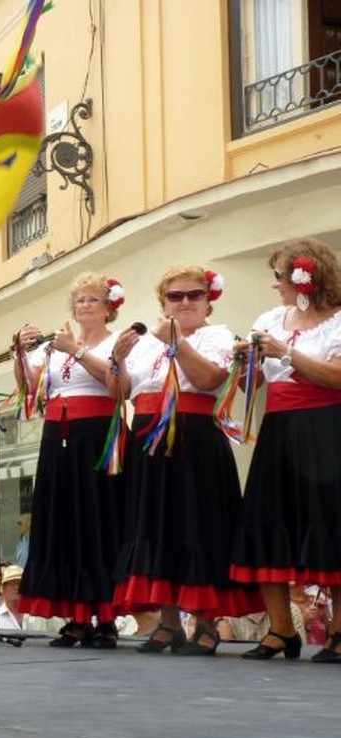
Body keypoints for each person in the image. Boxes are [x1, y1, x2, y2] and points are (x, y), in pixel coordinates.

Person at [109, 265, 258, 656]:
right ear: (164, 303)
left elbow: (210, 378)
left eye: (195, 295)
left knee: (198, 524)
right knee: (155, 525)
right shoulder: (146, 341)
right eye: (176, 296)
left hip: (194, 438)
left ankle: (206, 625)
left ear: (209, 302)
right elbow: (122, 391)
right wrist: (119, 361)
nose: (186, 302)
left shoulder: (216, 335)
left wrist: (176, 341)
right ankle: (169, 623)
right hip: (147, 438)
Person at [229, 239, 341, 662]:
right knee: (266, 521)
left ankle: (339, 632)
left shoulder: (338, 321)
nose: (275, 286)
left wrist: (287, 353)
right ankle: (280, 630)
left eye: (279, 276)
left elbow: (337, 376)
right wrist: (246, 364)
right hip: (279, 430)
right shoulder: (271, 318)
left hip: (326, 429)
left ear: (304, 277)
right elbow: (251, 387)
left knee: (329, 525)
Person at [13, 273, 125, 649]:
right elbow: (32, 388)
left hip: (97, 437)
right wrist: (19, 353)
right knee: (65, 524)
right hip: (58, 436)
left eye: (93, 299)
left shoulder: (114, 343)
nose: (85, 306)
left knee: (99, 521)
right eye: (79, 300)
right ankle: (76, 617)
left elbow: (117, 385)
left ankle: (106, 618)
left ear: (108, 308)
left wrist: (75, 350)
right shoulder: (54, 347)